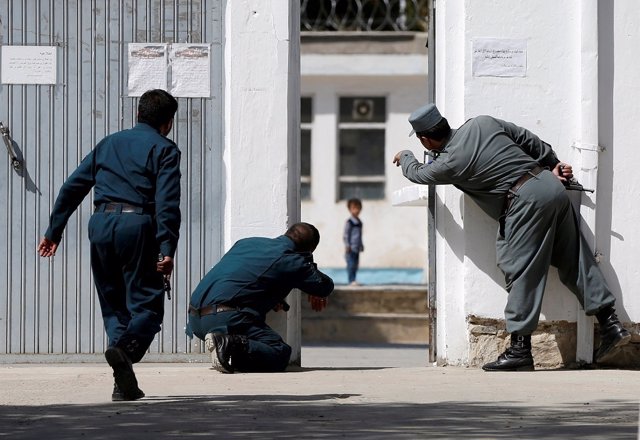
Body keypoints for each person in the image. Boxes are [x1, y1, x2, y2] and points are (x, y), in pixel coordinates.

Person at [393, 103, 631, 371]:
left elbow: (418, 174)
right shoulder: (482, 122)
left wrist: (406, 156)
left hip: (523, 202)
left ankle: (520, 350)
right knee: (574, 258)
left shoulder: (450, 162)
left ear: (425, 139)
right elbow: (528, 139)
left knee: (520, 269)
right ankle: (611, 325)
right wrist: (553, 164)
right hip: (550, 186)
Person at [37, 89, 181, 399]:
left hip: (100, 224)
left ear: (138, 114)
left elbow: (73, 186)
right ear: (168, 123)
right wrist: (167, 248)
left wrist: (54, 231)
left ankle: (122, 383)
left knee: (114, 303)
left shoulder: (110, 143)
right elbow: (167, 203)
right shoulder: (165, 149)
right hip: (137, 225)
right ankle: (125, 350)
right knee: (146, 305)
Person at [187, 222, 334, 373]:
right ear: (310, 249)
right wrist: (309, 262)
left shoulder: (246, 242)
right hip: (223, 320)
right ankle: (229, 343)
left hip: (195, 320)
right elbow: (324, 287)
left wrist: (272, 295)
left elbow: (245, 277)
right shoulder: (291, 261)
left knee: (248, 357)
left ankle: (228, 348)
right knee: (280, 353)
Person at [343, 198, 364, 286]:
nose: (356, 210)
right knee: (351, 264)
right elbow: (346, 235)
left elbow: (359, 235)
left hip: (357, 247)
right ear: (350, 209)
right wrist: (347, 245)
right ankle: (351, 280)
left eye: (358, 208)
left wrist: (361, 244)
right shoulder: (349, 222)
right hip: (351, 248)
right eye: (354, 208)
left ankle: (354, 279)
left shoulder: (359, 222)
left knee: (355, 265)